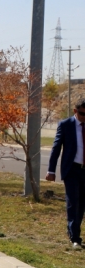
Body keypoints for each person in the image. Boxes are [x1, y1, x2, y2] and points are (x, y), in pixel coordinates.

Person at [46, 98, 85, 249]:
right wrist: (51, 170)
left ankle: (75, 231)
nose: (84, 117)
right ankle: (75, 237)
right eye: (82, 114)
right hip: (72, 170)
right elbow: (56, 148)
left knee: (82, 204)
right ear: (75, 111)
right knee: (73, 203)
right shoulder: (66, 125)